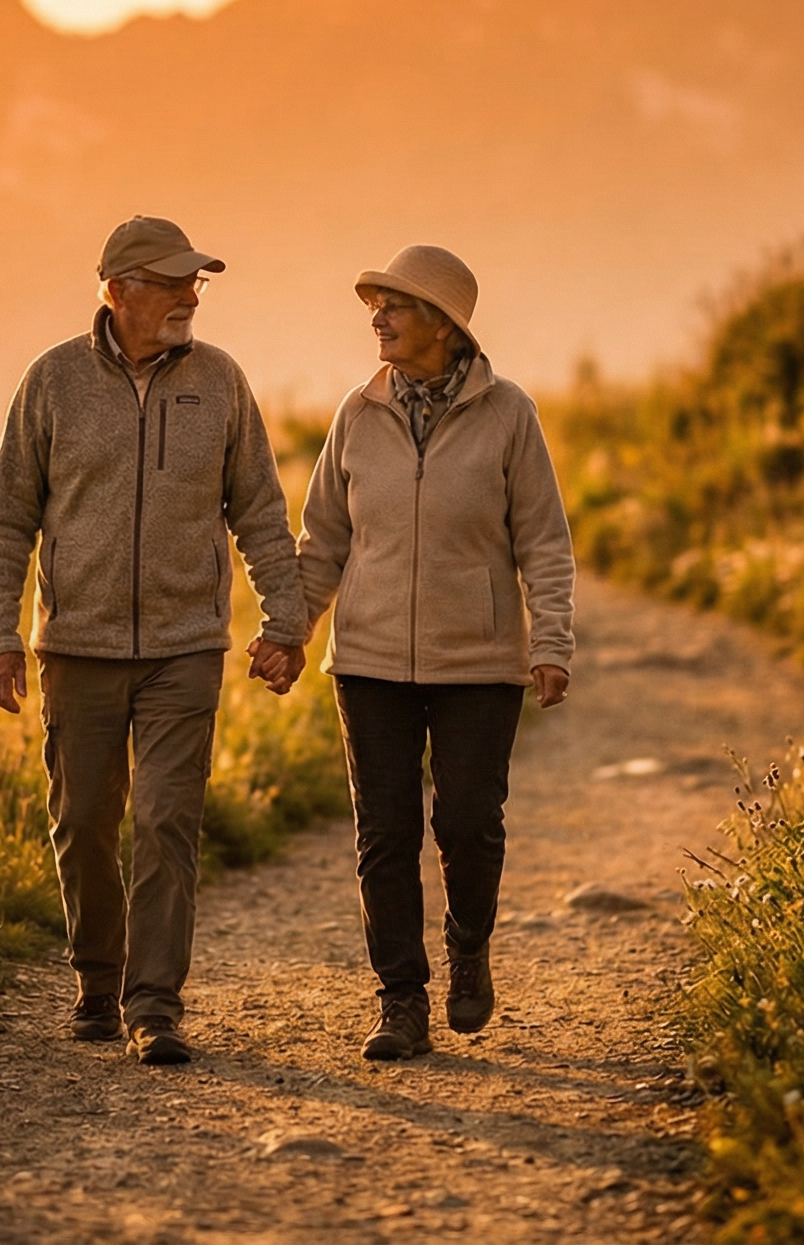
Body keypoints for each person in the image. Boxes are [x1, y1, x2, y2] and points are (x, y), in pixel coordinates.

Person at [0, 214, 309, 1067]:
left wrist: (287, 619)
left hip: (185, 648)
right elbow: (8, 518)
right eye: (169, 283)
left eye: (195, 282)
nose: (189, 296)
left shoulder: (222, 384)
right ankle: (98, 981)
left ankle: (154, 1004)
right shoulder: (51, 383)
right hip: (76, 648)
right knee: (84, 820)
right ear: (118, 290)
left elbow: (262, 513)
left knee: (167, 818)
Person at [295, 244, 575, 1061]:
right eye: (374, 305)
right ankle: (400, 1000)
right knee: (383, 832)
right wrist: (291, 630)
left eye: (396, 305)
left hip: (479, 663)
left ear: (445, 326)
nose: (377, 318)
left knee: (466, 823)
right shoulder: (357, 412)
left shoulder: (510, 415)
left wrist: (550, 642)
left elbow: (545, 543)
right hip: (369, 659)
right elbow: (323, 539)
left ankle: (468, 945)